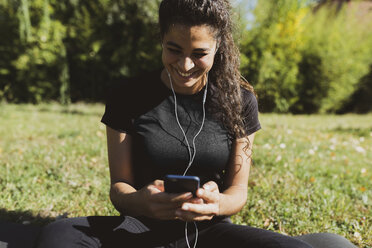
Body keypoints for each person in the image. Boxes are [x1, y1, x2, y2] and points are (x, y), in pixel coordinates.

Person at [35, 0, 358, 247]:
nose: (185, 64)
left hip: (209, 232)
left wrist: (217, 204)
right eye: (173, 50)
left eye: (199, 53)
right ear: (161, 39)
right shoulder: (126, 95)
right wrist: (142, 202)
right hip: (137, 231)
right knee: (57, 235)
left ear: (218, 48)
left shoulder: (240, 101)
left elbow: (238, 191)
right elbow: (119, 189)